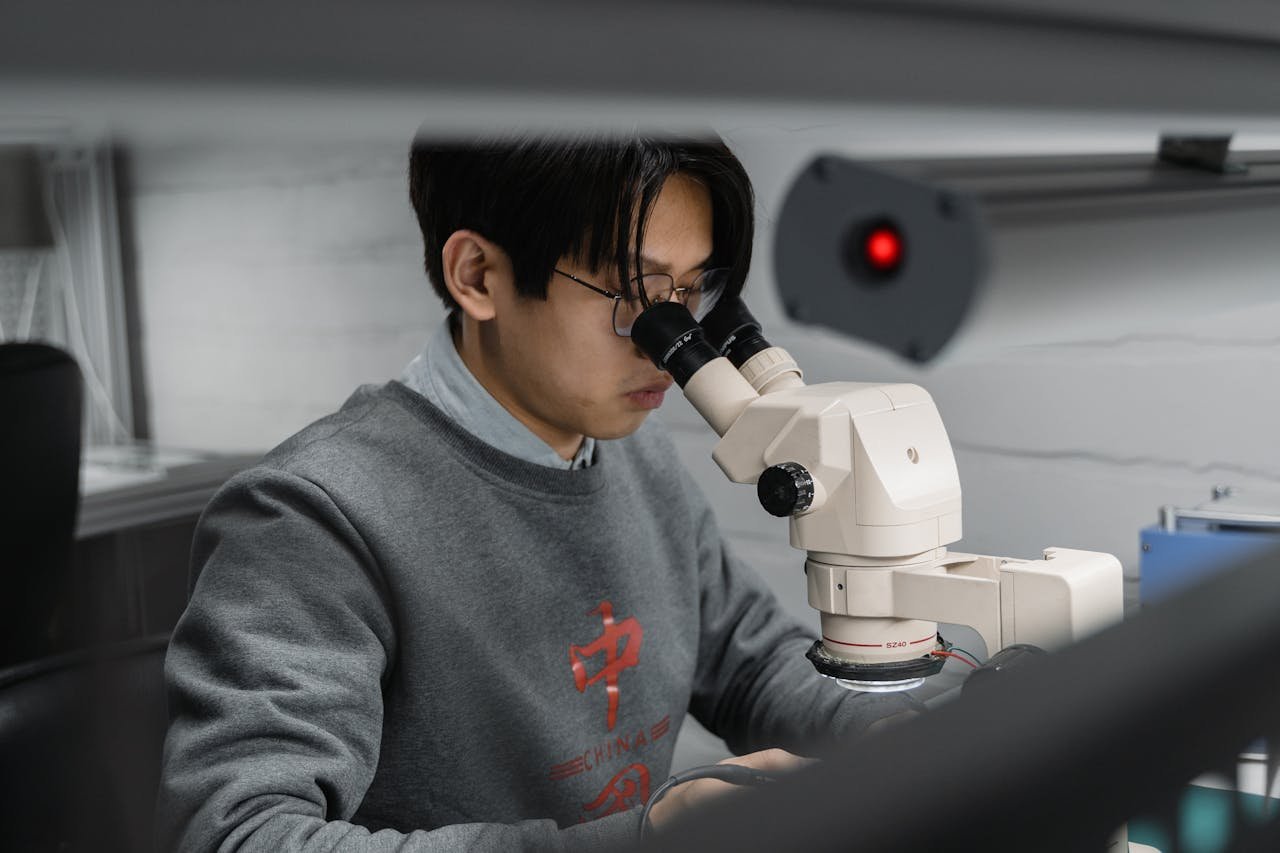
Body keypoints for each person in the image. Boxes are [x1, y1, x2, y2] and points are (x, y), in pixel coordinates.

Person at [155, 133, 918, 851]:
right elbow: (241, 835)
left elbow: (748, 661)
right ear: (479, 277)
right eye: (638, 298)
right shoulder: (315, 516)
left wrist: (894, 736)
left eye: (692, 292)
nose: (671, 341)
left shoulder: (632, 454)